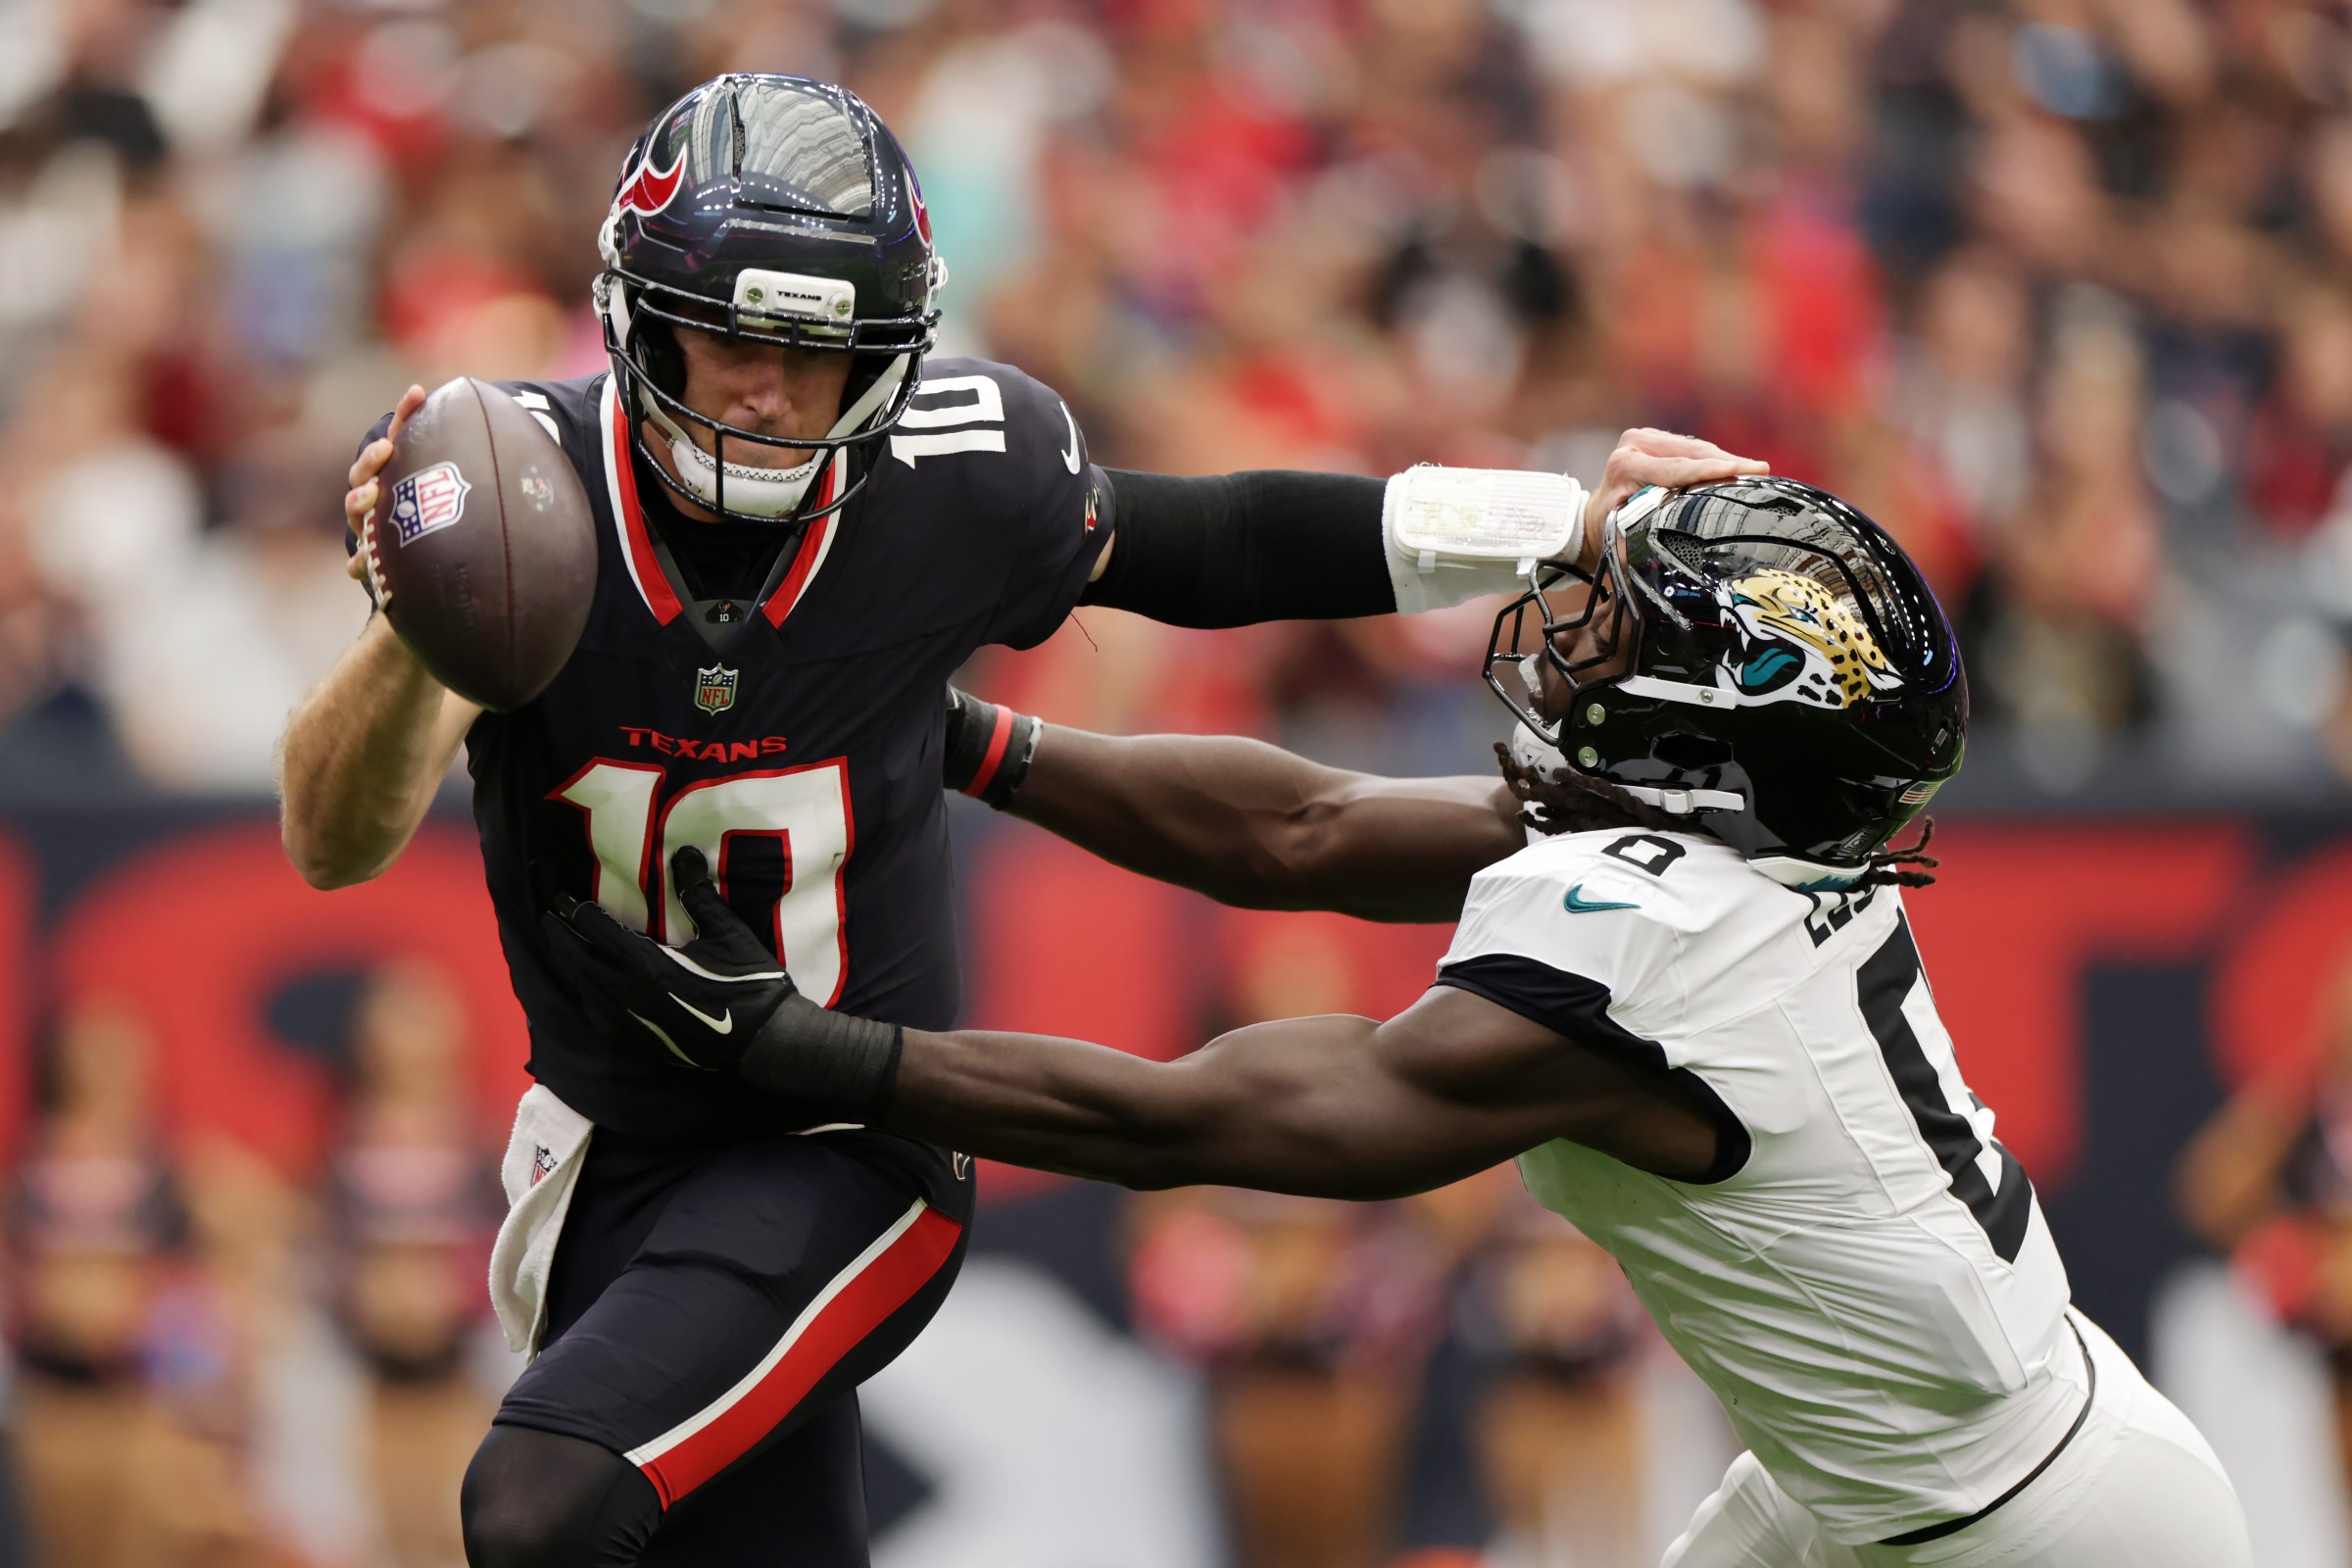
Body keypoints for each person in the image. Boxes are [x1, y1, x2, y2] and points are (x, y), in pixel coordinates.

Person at [277, 71, 1763, 1568]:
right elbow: (331, 842)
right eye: (736, 336)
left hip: (851, 1133)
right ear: (642, 314)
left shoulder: (951, 481)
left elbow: (1227, 539)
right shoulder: (525, 499)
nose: (771, 395)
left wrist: (1573, 521)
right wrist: (421, 631)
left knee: (538, 1503)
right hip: (605, 1138)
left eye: (820, 350)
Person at [550, 476, 2256, 1566]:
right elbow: (1304, 831)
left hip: (2026, 1531)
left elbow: (1222, 1119)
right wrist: (962, 735)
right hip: (1887, 1482)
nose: (1572, 644)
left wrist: (822, 1055)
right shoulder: (1730, 840)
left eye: (1628, 631)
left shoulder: (1673, 934)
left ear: (1723, 715)